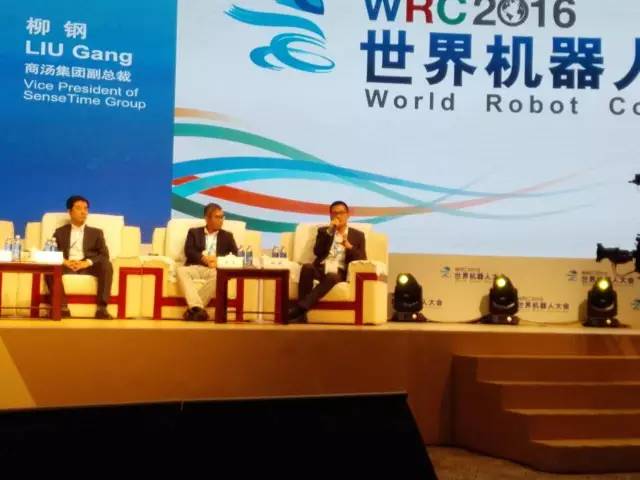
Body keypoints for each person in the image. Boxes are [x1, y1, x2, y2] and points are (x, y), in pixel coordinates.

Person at [287, 201, 366, 323]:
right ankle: (302, 315)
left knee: (332, 276)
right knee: (307, 267)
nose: (337, 216)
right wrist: (329, 231)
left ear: (348, 215)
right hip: (320, 267)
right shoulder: (324, 231)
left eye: (341, 213)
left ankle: (300, 309)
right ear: (330, 216)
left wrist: (349, 247)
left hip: (339, 271)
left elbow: (363, 259)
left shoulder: (358, 235)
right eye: (334, 213)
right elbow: (317, 252)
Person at [45, 195, 113, 319]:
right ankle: (62, 307)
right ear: (70, 212)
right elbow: (51, 252)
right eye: (79, 208)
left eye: (86, 209)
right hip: (67, 265)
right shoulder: (60, 232)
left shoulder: (96, 233)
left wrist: (87, 262)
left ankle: (102, 308)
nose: (83, 212)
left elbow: (104, 255)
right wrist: (64, 261)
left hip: (87, 266)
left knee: (106, 265)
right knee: (50, 268)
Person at [177, 203, 238, 321]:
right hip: (195, 267)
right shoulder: (194, 232)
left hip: (214, 269)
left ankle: (195, 309)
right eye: (217, 217)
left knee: (221, 276)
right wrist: (203, 258)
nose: (221, 220)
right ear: (207, 218)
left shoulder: (227, 236)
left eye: (222, 217)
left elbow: (235, 255)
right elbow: (189, 250)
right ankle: (198, 309)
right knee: (181, 271)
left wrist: (217, 260)